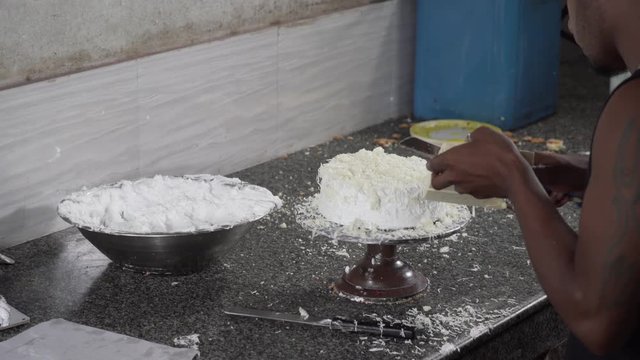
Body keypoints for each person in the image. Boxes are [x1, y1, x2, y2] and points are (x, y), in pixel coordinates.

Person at [427, 1, 640, 359]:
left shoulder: (634, 109)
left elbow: (597, 321)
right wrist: (591, 172)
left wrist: (514, 176)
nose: (570, 23)